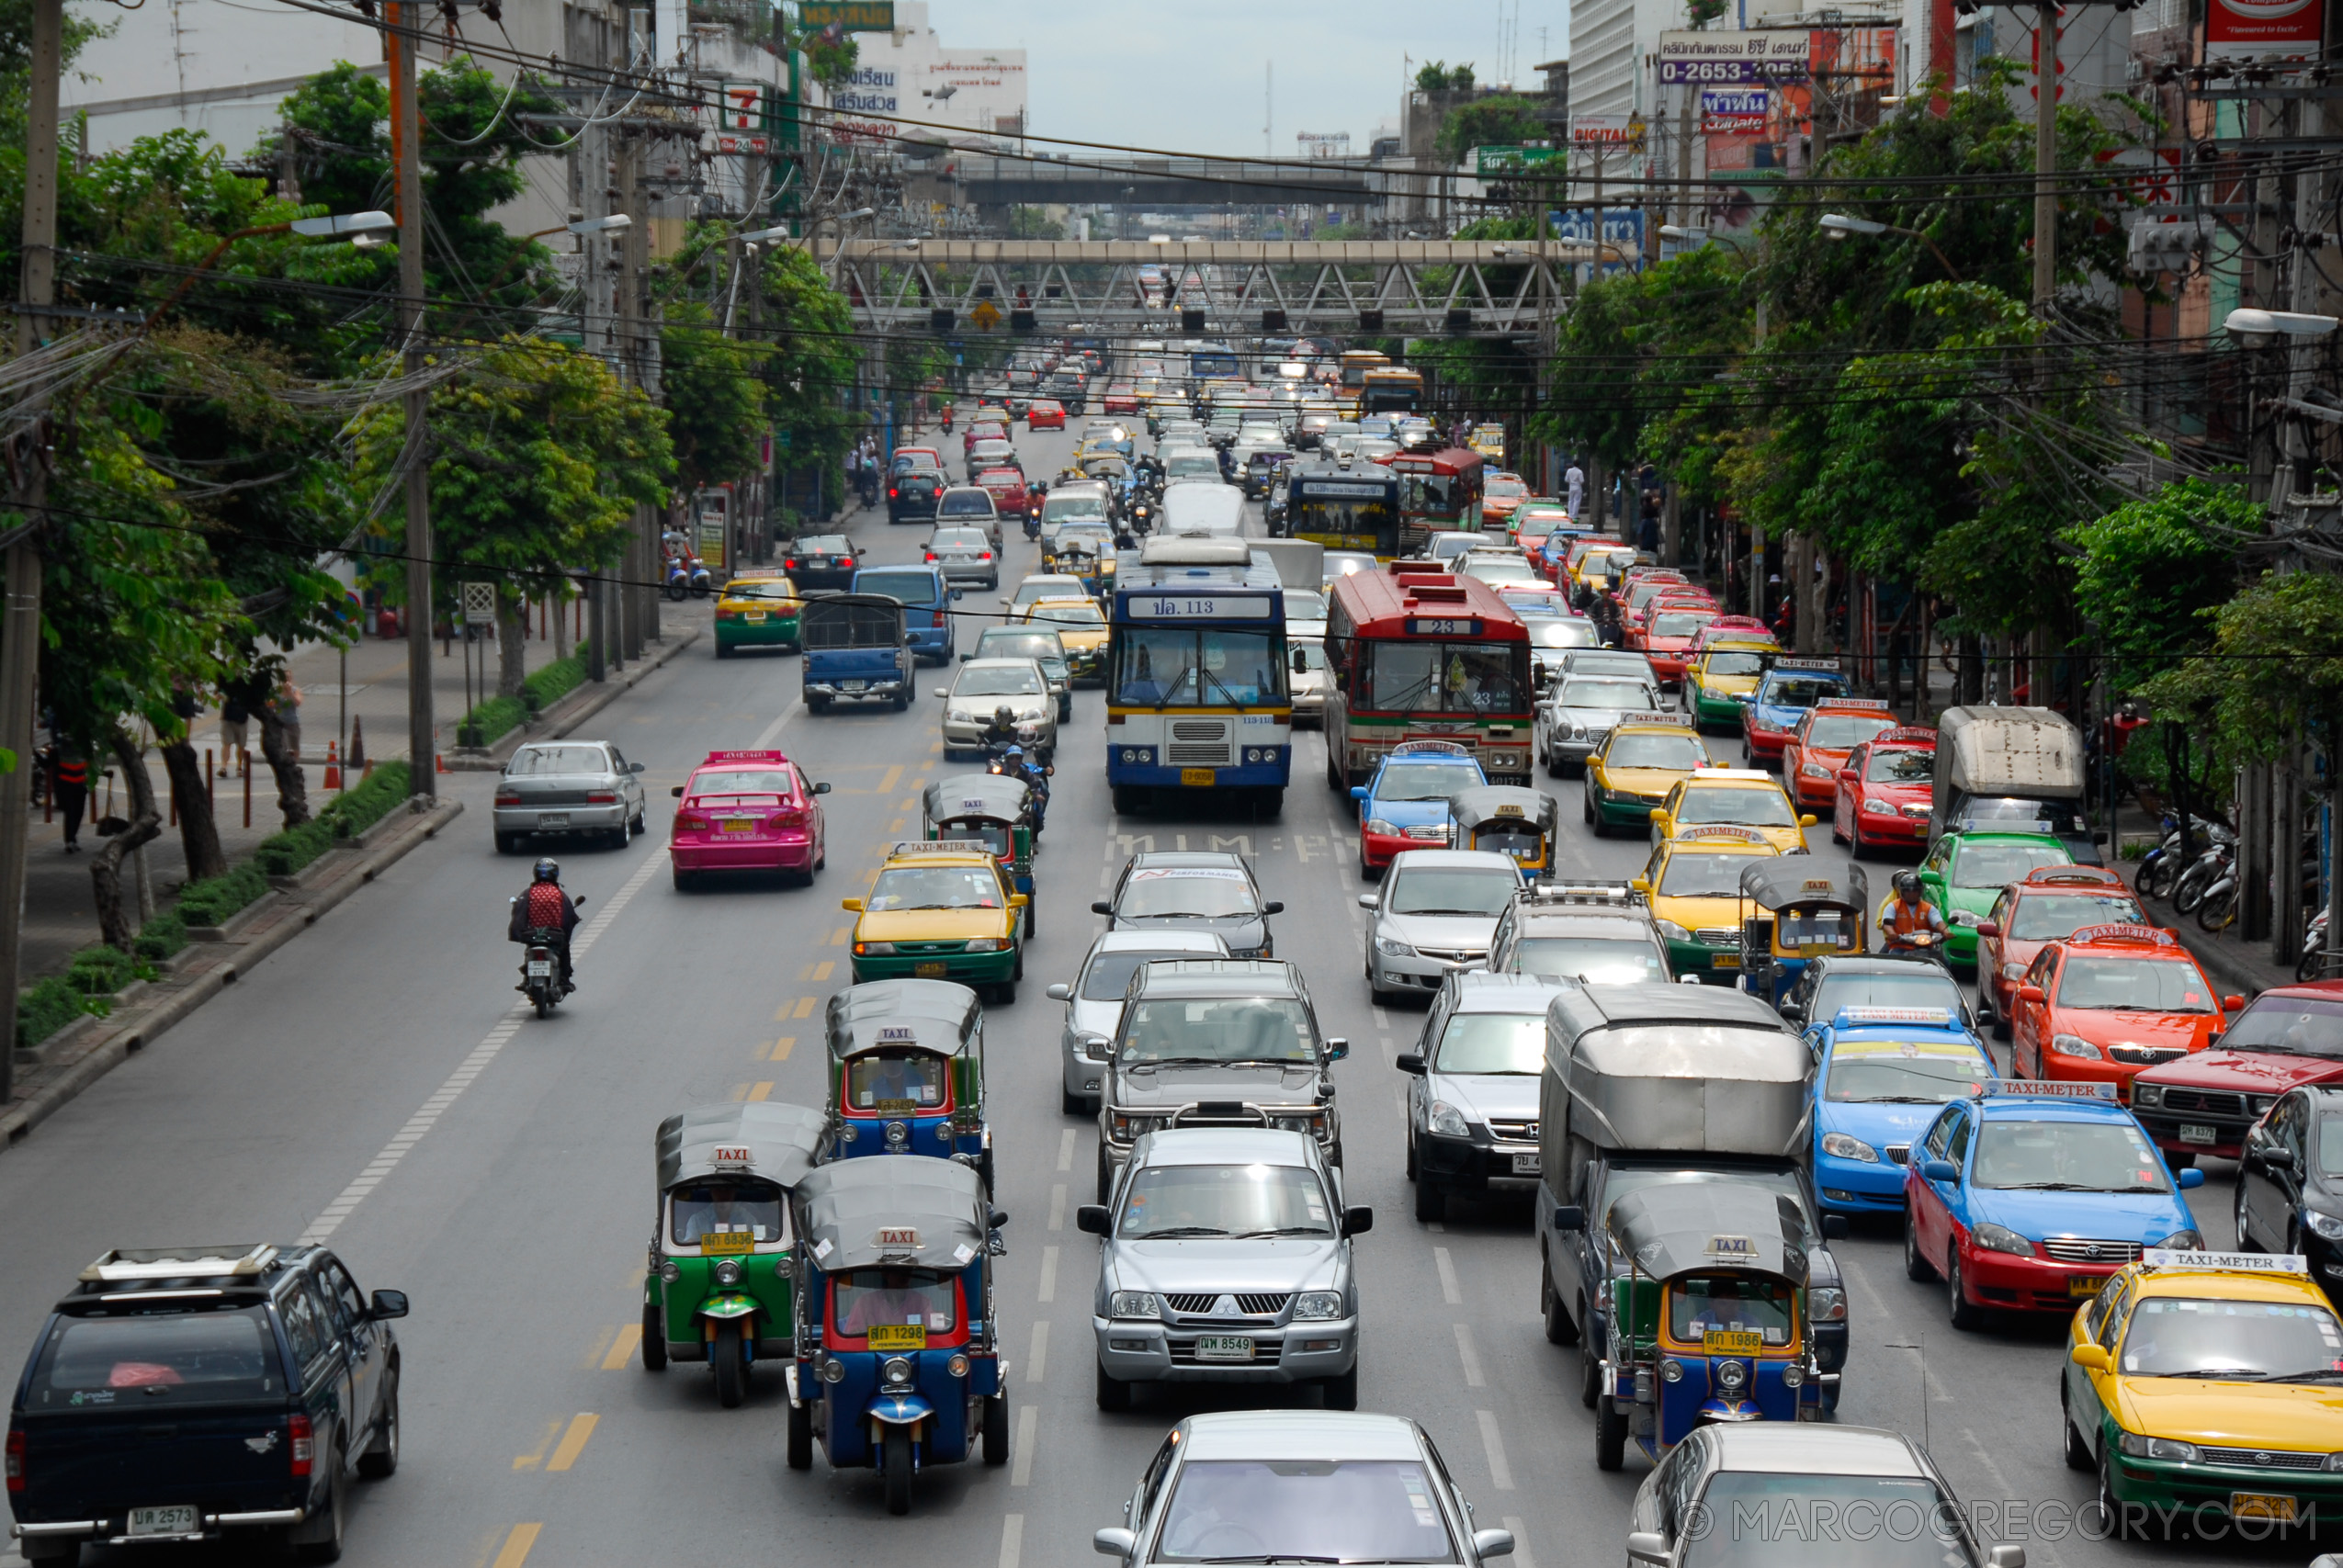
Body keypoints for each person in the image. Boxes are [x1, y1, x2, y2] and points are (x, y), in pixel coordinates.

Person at [508, 857, 582, 993]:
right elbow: (569, 918)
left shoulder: (528, 894)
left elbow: (519, 915)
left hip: (532, 936)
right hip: (554, 936)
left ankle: (526, 978)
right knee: (564, 949)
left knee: (529, 950)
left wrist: (518, 933)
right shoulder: (559, 894)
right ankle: (564, 979)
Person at [1879, 870, 1947, 955]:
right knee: (1893, 962)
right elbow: (1887, 924)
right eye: (1908, 892)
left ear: (1920, 892)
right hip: (1900, 946)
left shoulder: (1929, 908)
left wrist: (1946, 932)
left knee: (1945, 963)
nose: (1912, 895)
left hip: (1926, 946)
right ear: (1902, 892)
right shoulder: (1893, 906)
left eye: (1915, 891)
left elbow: (1938, 922)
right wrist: (1892, 933)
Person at [52, 746, 86, 853]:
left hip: (80, 786)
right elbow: (45, 763)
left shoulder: (84, 748)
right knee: (71, 813)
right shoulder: (57, 750)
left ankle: (72, 839)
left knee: (78, 813)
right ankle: (70, 840)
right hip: (65, 787)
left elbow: (90, 765)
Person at [219, 690, 249, 773]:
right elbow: (218, 695)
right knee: (227, 743)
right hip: (228, 718)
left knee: (241, 745)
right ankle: (223, 767)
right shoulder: (226, 684)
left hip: (241, 718)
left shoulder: (246, 685)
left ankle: (239, 766)